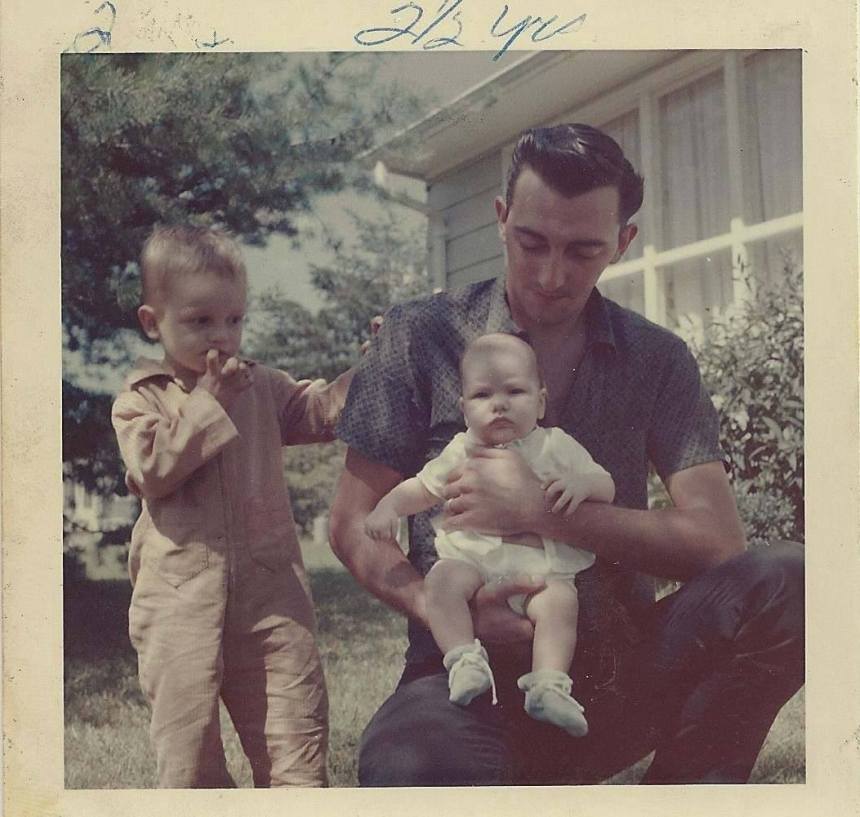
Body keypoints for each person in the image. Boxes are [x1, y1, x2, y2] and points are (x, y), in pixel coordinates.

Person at [329, 123, 804, 785]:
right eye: (532, 243)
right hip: (463, 679)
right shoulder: (419, 334)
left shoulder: (658, 358)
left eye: (584, 250)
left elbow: (717, 541)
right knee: (416, 770)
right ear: (501, 219)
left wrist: (543, 511)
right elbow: (353, 522)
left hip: (617, 675)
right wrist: (445, 611)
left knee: (791, 580)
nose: (552, 275)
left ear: (623, 242)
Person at [112, 225, 361, 788]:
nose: (222, 337)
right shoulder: (140, 398)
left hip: (271, 599)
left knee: (296, 750)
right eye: (201, 321)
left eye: (234, 319)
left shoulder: (260, 386)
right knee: (189, 762)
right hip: (177, 604)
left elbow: (322, 410)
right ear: (153, 322)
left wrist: (376, 369)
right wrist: (207, 402)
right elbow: (151, 470)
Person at [364, 332, 615, 737]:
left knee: (560, 603)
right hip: (474, 563)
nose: (499, 404)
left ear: (540, 402)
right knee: (441, 580)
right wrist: (388, 507)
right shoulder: (460, 451)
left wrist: (581, 484)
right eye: (483, 395)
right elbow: (422, 488)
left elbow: (606, 484)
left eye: (515, 391)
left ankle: (548, 685)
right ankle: (465, 660)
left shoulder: (555, 446)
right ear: (464, 409)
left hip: (540, 570)